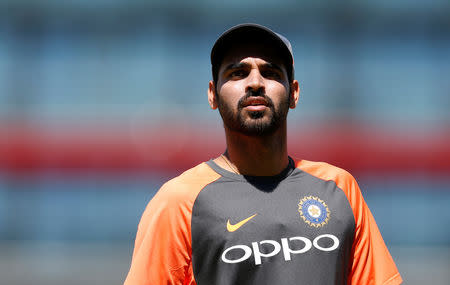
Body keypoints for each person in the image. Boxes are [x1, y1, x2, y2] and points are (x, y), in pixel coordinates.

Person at [124, 23, 402, 285]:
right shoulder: (179, 201)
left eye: (271, 73)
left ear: (294, 93)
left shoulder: (339, 187)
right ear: (212, 95)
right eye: (237, 73)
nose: (255, 82)